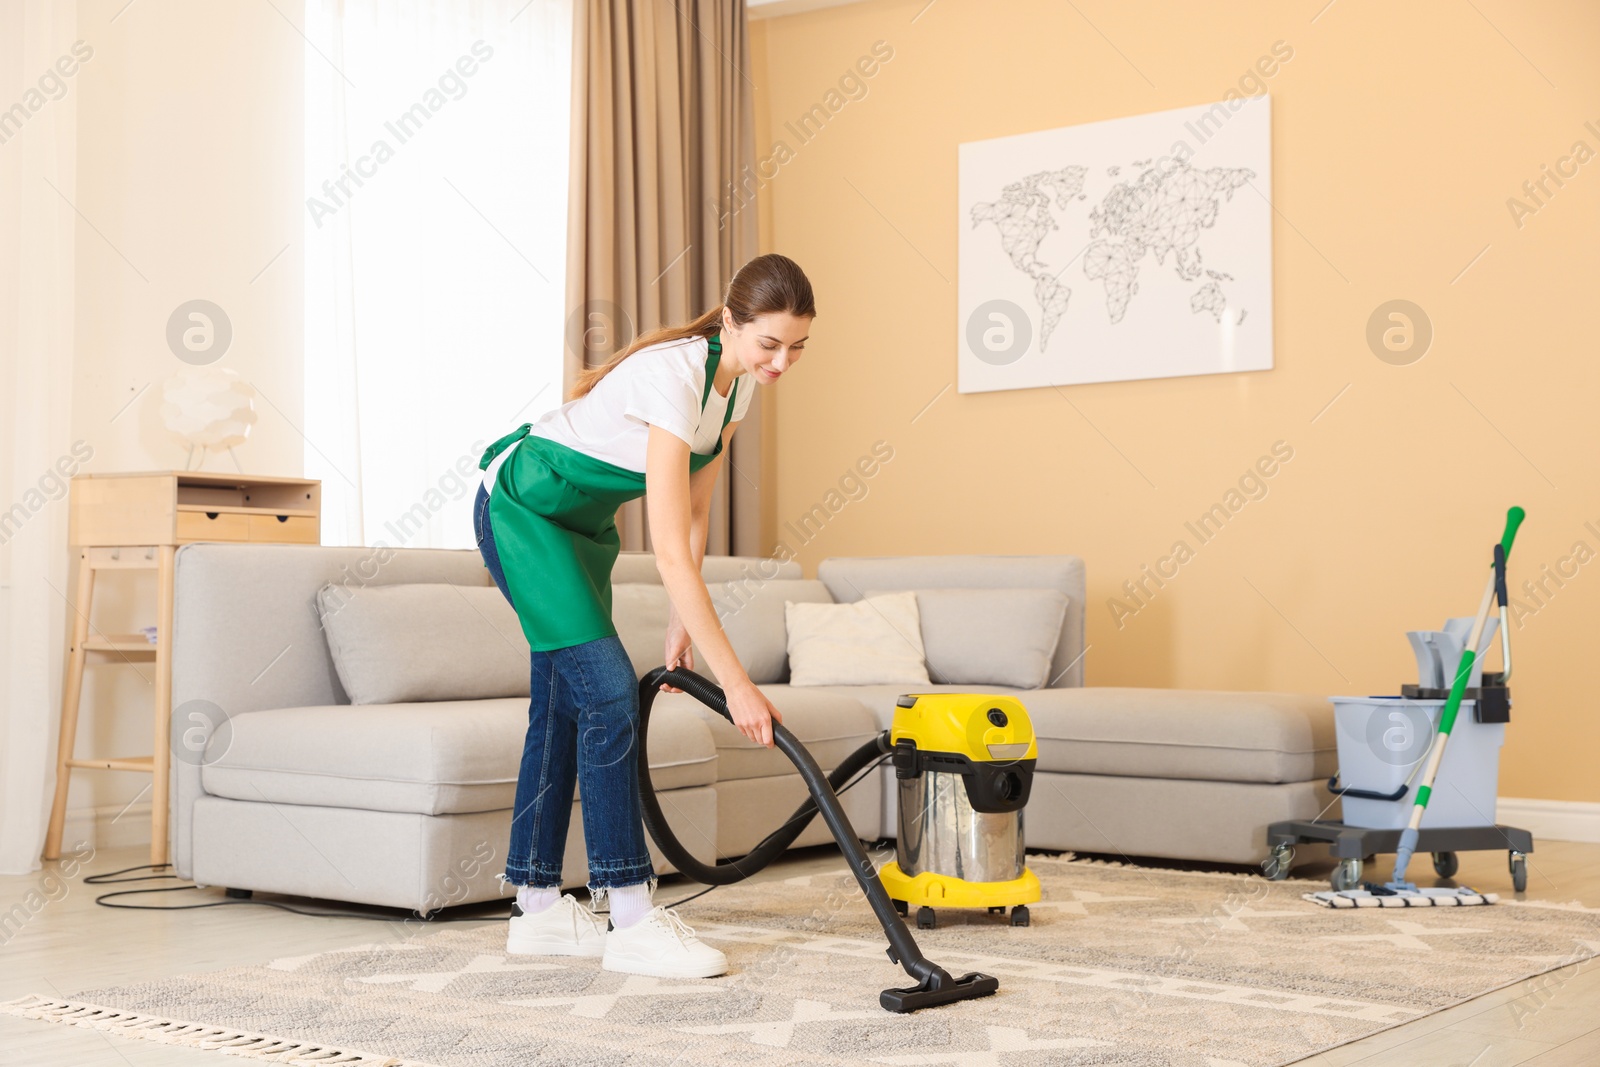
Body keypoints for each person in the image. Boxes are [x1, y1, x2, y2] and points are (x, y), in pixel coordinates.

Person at [473, 253, 814, 978]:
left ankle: (535, 908)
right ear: (731, 322)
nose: (781, 362)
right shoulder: (676, 377)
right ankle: (628, 914)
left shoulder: (735, 389)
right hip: (523, 511)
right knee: (607, 694)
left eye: (796, 348)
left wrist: (682, 625)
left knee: (563, 705)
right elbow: (668, 558)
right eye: (769, 344)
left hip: (580, 531)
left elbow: (694, 514)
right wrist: (737, 685)